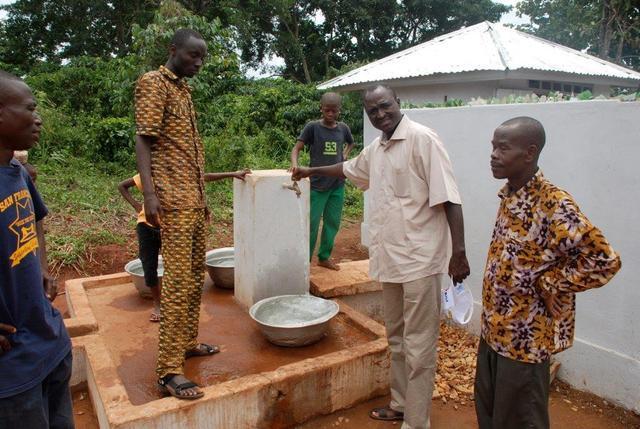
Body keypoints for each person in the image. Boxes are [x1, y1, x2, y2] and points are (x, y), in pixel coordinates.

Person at [292, 85, 470, 429]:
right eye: (372, 111)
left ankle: (416, 423)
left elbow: (450, 198)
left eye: (385, 106)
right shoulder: (379, 148)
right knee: (398, 339)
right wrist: (310, 172)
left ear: (398, 103)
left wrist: (458, 253)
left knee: (420, 347)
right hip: (392, 261)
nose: (380, 114)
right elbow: (348, 168)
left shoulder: (423, 140)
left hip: (420, 262)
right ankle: (402, 404)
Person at [475, 117, 621, 429]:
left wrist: (552, 281)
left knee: (521, 419)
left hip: (523, 341)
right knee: (490, 414)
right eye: (493, 147)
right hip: (493, 332)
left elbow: (604, 259)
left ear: (529, 153)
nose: (493, 155)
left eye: (503, 148)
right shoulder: (510, 195)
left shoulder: (554, 204)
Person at [135, 28, 213, 400]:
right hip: (173, 202)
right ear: (173, 50)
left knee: (196, 276)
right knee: (178, 281)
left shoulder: (184, 89)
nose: (198, 63)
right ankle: (167, 370)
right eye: (192, 56)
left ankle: (187, 343)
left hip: (195, 200)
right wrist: (149, 194)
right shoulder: (154, 83)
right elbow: (143, 139)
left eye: (202, 58)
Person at [0, 71, 74, 428]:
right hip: (12, 372)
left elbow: (37, 218)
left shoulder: (18, 172)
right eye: (29, 108)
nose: (38, 117)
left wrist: (42, 266)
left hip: (50, 343)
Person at [118, 169, 251, 322]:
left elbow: (203, 177)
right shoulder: (146, 177)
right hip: (146, 227)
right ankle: (158, 304)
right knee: (149, 265)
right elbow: (122, 186)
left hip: (172, 227)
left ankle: (177, 302)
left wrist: (232, 174)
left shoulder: (178, 173)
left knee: (177, 265)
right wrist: (137, 205)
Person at [290, 92, 354, 270]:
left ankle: (324, 257)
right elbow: (296, 148)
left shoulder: (343, 129)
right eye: (327, 110)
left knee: (332, 223)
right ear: (321, 109)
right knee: (311, 225)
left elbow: (351, 143)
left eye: (334, 111)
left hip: (337, 185)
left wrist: (345, 156)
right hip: (317, 186)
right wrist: (295, 165)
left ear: (339, 111)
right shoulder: (313, 127)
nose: (330, 114)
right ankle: (305, 262)